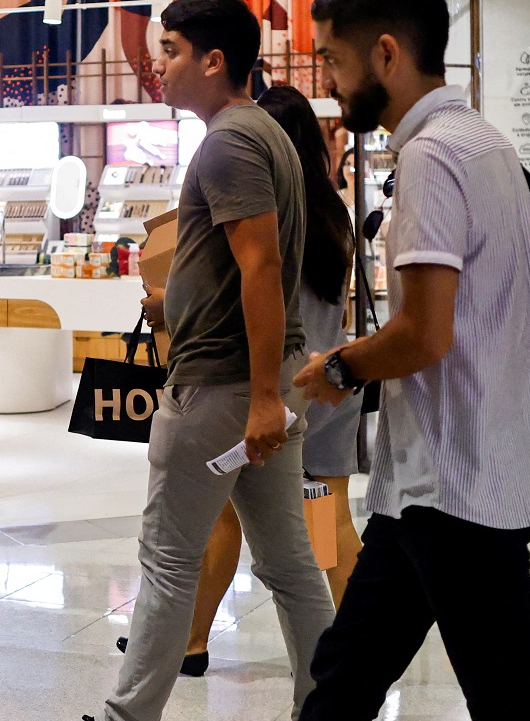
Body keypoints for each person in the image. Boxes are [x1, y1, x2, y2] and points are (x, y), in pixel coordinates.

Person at [292, 0, 530, 720]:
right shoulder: (484, 142)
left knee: (511, 696)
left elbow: (424, 333)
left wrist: (338, 368)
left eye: (336, 61)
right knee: (344, 674)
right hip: (449, 477)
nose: (334, 81)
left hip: (454, 487)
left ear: (386, 53)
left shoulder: (430, 154)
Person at [87, 0, 334, 721]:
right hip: (257, 382)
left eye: (168, 50)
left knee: (167, 560)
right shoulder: (262, 133)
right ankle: (327, 705)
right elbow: (241, 267)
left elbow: (260, 264)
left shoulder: (229, 141)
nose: (156, 65)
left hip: (221, 389)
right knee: (289, 563)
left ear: (213, 59)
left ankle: (126, 715)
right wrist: (179, 302)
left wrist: (260, 396)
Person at [145, 84, 362, 676]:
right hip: (325, 385)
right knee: (324, 526)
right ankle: (345, 645)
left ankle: (193, 640)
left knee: (242, 528)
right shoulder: (331, 215)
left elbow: (255, 293)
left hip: (275, 381)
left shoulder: (267, 213)